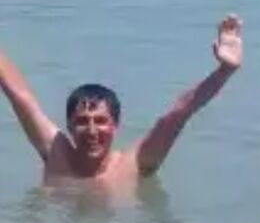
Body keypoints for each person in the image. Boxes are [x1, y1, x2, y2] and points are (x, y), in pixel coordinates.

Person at [0, 14, 243, 197]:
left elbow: (179, 113)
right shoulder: (58, 155)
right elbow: (20, 96)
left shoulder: (134, 164)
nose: (92, 130)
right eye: (82, 122)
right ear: (69, 126)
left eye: (101, 121)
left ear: (115, 125)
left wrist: (225, 71)